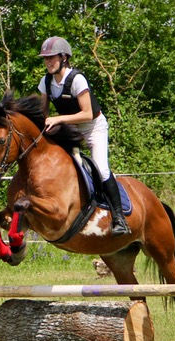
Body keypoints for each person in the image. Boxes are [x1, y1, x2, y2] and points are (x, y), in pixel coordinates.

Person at [37, 36, 131, 237]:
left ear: (63, 58)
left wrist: (59, 119)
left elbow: (87, 113)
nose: (47, 62)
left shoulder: (77, 79)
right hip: (70, 128)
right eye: (45, 59)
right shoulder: (45, 81)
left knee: (102, 169)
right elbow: (43, 112)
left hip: (93, 127)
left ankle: (119, 218)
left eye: (51, 58)